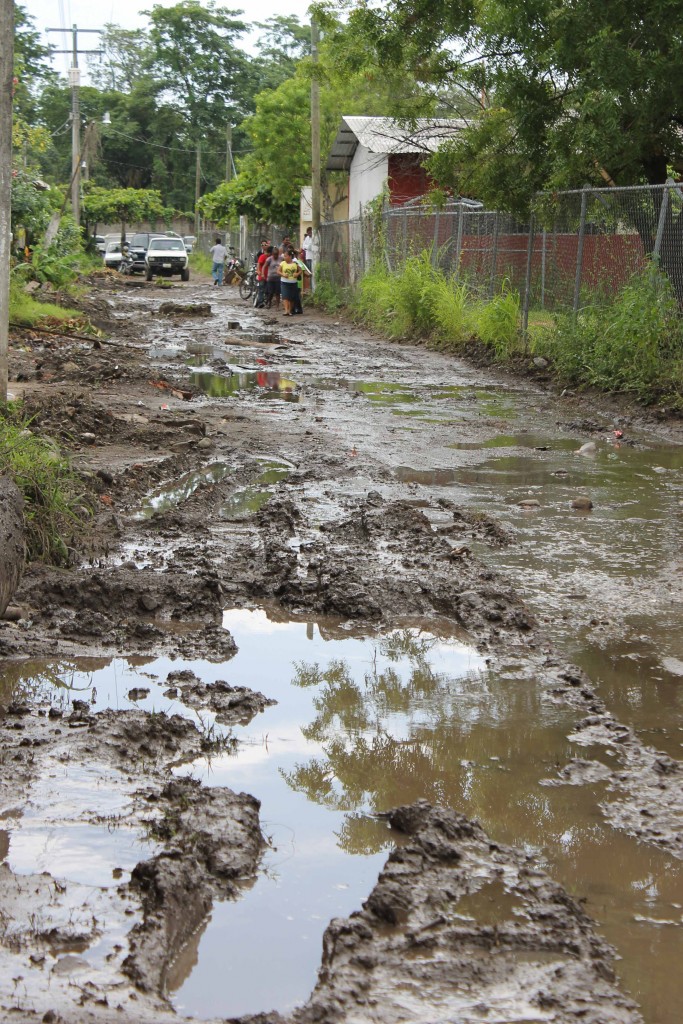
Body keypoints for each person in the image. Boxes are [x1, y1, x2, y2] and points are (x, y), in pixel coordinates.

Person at [279, 248, 301, 316]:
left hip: (293, 282)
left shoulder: (295, 263)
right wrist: (283, 274)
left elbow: (300, 270)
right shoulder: (282, 263)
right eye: (284, 256)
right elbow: (278, 271)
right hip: (284, 282)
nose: (284, 257)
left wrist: (297, 274)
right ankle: (286, 310)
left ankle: (290, 310)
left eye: (286, 256)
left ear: (290, 256)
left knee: (291, 298)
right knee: (285, 296)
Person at [255, 240, 270, 308]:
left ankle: (267, 302)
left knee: (267, 290)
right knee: (261, 289)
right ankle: (260, 302)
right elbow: (258, 263)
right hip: (262, 275)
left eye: (265, 245)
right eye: (262, 245)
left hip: (268, 276)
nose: (264, 246)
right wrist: (258, 271)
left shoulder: (271, 256)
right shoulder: (261, 255)